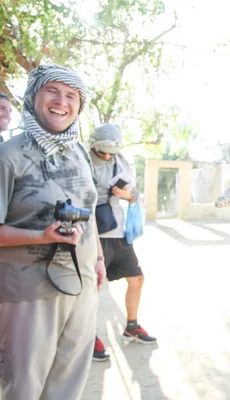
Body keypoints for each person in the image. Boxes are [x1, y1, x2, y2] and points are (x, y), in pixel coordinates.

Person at [0, 64, 106, 399]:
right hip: (29, 288)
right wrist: (41, 237)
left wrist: (99, 260)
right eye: (52, 91)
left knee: (69, 380)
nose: (62, 101)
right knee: (25, 383)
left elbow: (89, 212)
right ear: (33, 97)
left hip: (82, 282)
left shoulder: (79, 153)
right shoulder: (9, 155)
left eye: (71, 95)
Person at [89, 123, 156, 363]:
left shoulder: (122, 162)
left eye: (111, 152)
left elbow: (135, 193)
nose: (107, 156)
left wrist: (126, 195)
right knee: (92, 289)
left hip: (118, 233)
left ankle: (131, 326)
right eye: (102, 151)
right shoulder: (82, 161)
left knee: (137, 279)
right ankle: (87, 337)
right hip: (92, 235)